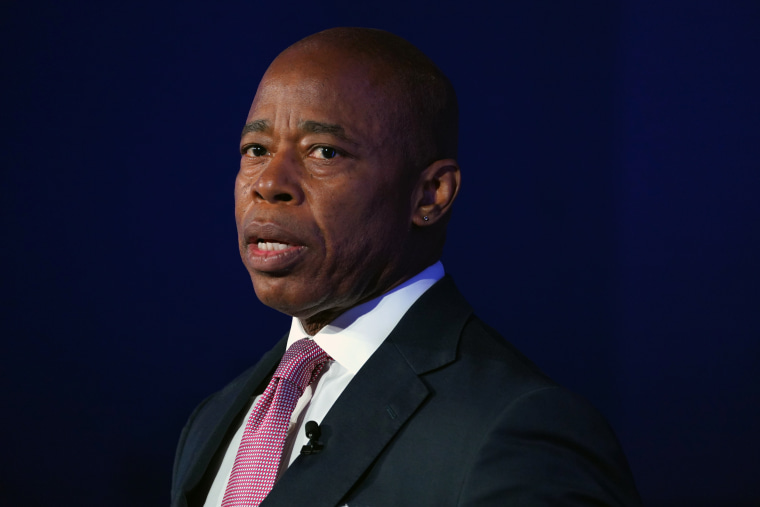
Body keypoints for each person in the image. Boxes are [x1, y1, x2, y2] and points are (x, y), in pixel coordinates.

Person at [171, 27, 641, 507]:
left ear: (430, 195)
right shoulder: (213, 419)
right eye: (256, 151)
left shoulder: (519, 429)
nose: (269, 183)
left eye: (325, 152)